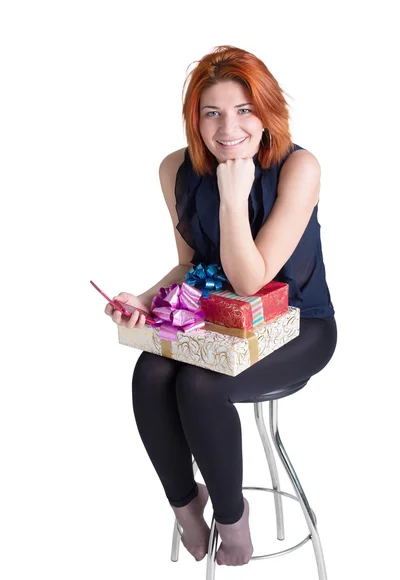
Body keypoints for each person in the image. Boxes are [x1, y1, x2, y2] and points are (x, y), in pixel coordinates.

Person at [104, 45, 337, 567]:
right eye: (212, 113)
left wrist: (234, 197)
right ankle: (186, 504)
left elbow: (252, 284)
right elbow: (190, 265)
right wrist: (143, 300)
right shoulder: (175, 169)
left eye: (244, 110)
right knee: (150, 373)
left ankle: (233, 518)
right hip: (222, 326)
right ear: (195, 119)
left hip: (298, 325)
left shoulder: (300, 166)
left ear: (267, 111)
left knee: (198, 383)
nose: (228, 127)